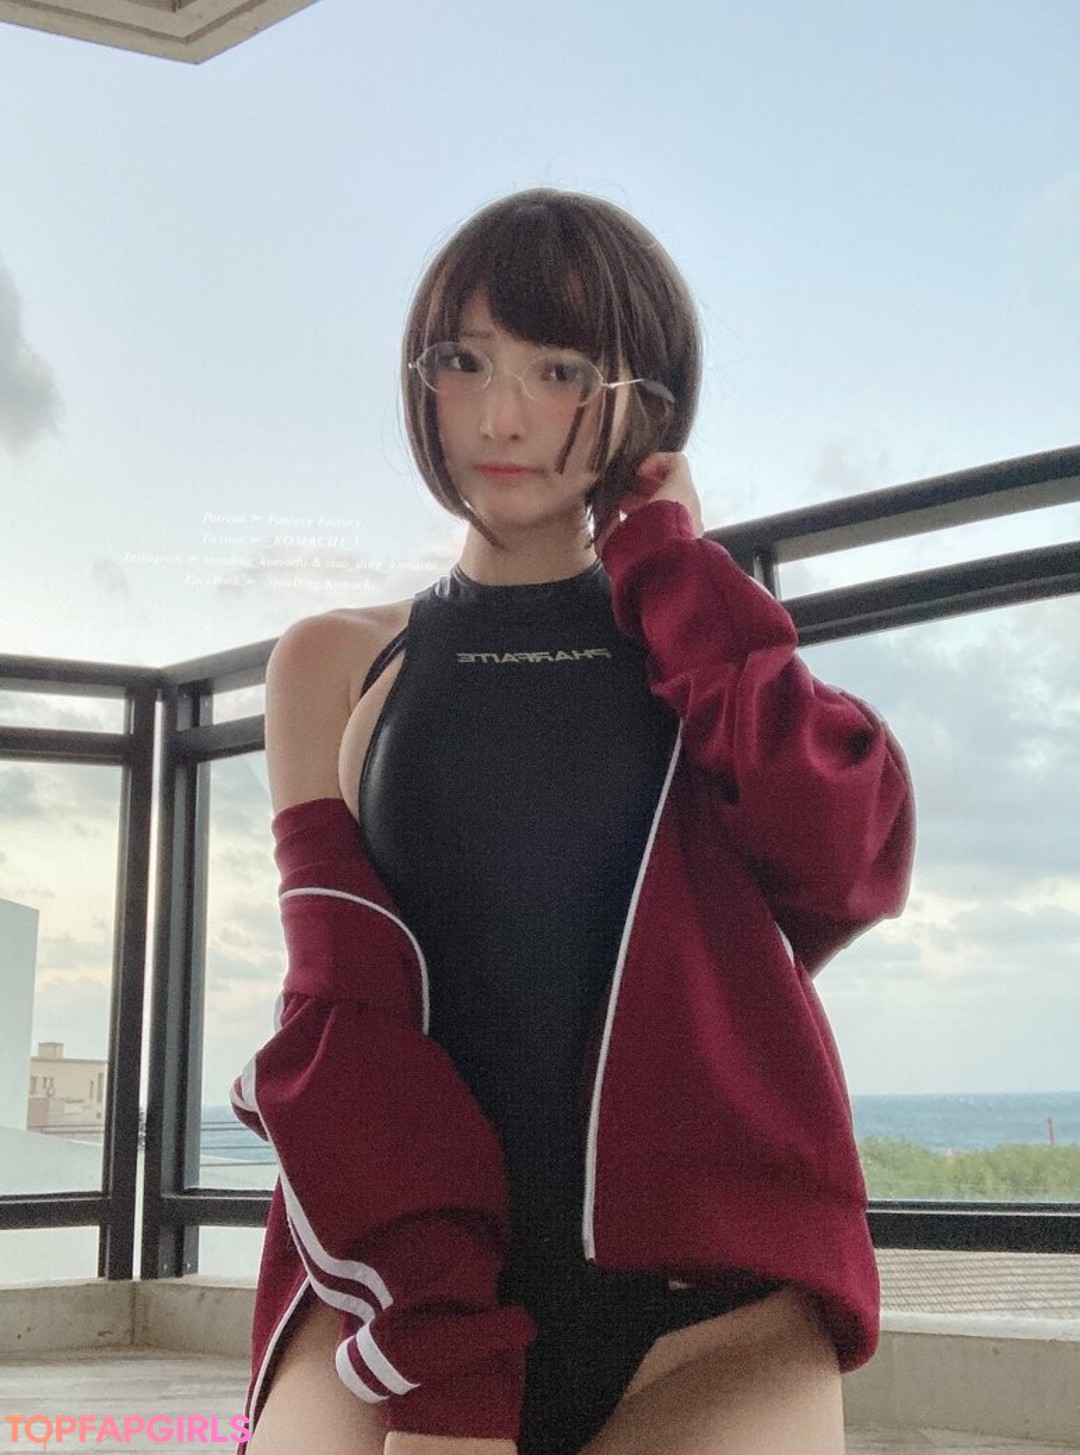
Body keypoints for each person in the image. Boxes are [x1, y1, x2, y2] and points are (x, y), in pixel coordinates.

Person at [231, 188, 914, 1455]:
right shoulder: (336, 662)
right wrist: (444, 1368)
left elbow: (847, 858)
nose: (500, 417)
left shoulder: (697, 646)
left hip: (709, 1313)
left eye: (559, 372)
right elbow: (342, 1021)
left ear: (643, 401)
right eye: (463, 363)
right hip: (394, 1296)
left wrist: (672, 564)